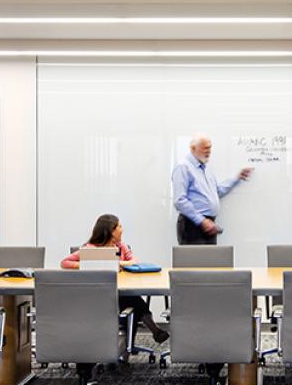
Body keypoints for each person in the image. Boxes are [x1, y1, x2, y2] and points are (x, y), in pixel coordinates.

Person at [61, 213, 168, 344]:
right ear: (111, 231)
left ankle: (131, 347)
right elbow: (65, 262)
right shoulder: (91, 249)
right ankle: (152, 331)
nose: (122, 229)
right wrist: (89, 264)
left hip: (120, 291)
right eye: (120, 226)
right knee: (134, 302)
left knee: (132, 301)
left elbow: (134, 261)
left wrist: (119, 264)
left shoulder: (121, 247)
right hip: (98, 296)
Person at [171, 134, 252, 245]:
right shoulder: (183, 167)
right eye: (205, 148)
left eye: (210, 147)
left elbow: (217, 191)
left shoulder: (206, 170)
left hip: (208, 225)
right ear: (193, 148)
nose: (208, 151)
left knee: (210, 261)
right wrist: (202, 221)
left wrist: (237, 178)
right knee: (195, 262)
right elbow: (179, 200)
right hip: (193, 225)